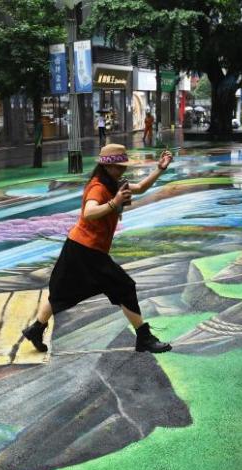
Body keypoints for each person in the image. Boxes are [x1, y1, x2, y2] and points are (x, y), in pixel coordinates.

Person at [22, 144, 174, 354]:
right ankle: (144, 337)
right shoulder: (98, 187)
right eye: (119, 167)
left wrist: (160, 169)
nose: (123, 170)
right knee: (125, 287)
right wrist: (115, 203)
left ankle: (36, 329)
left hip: (79, 247)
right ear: (106, 167)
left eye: (123, 167)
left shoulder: (113, 184)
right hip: (86, 250)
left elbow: (140, 188)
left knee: (59, 292)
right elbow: (89, 212)